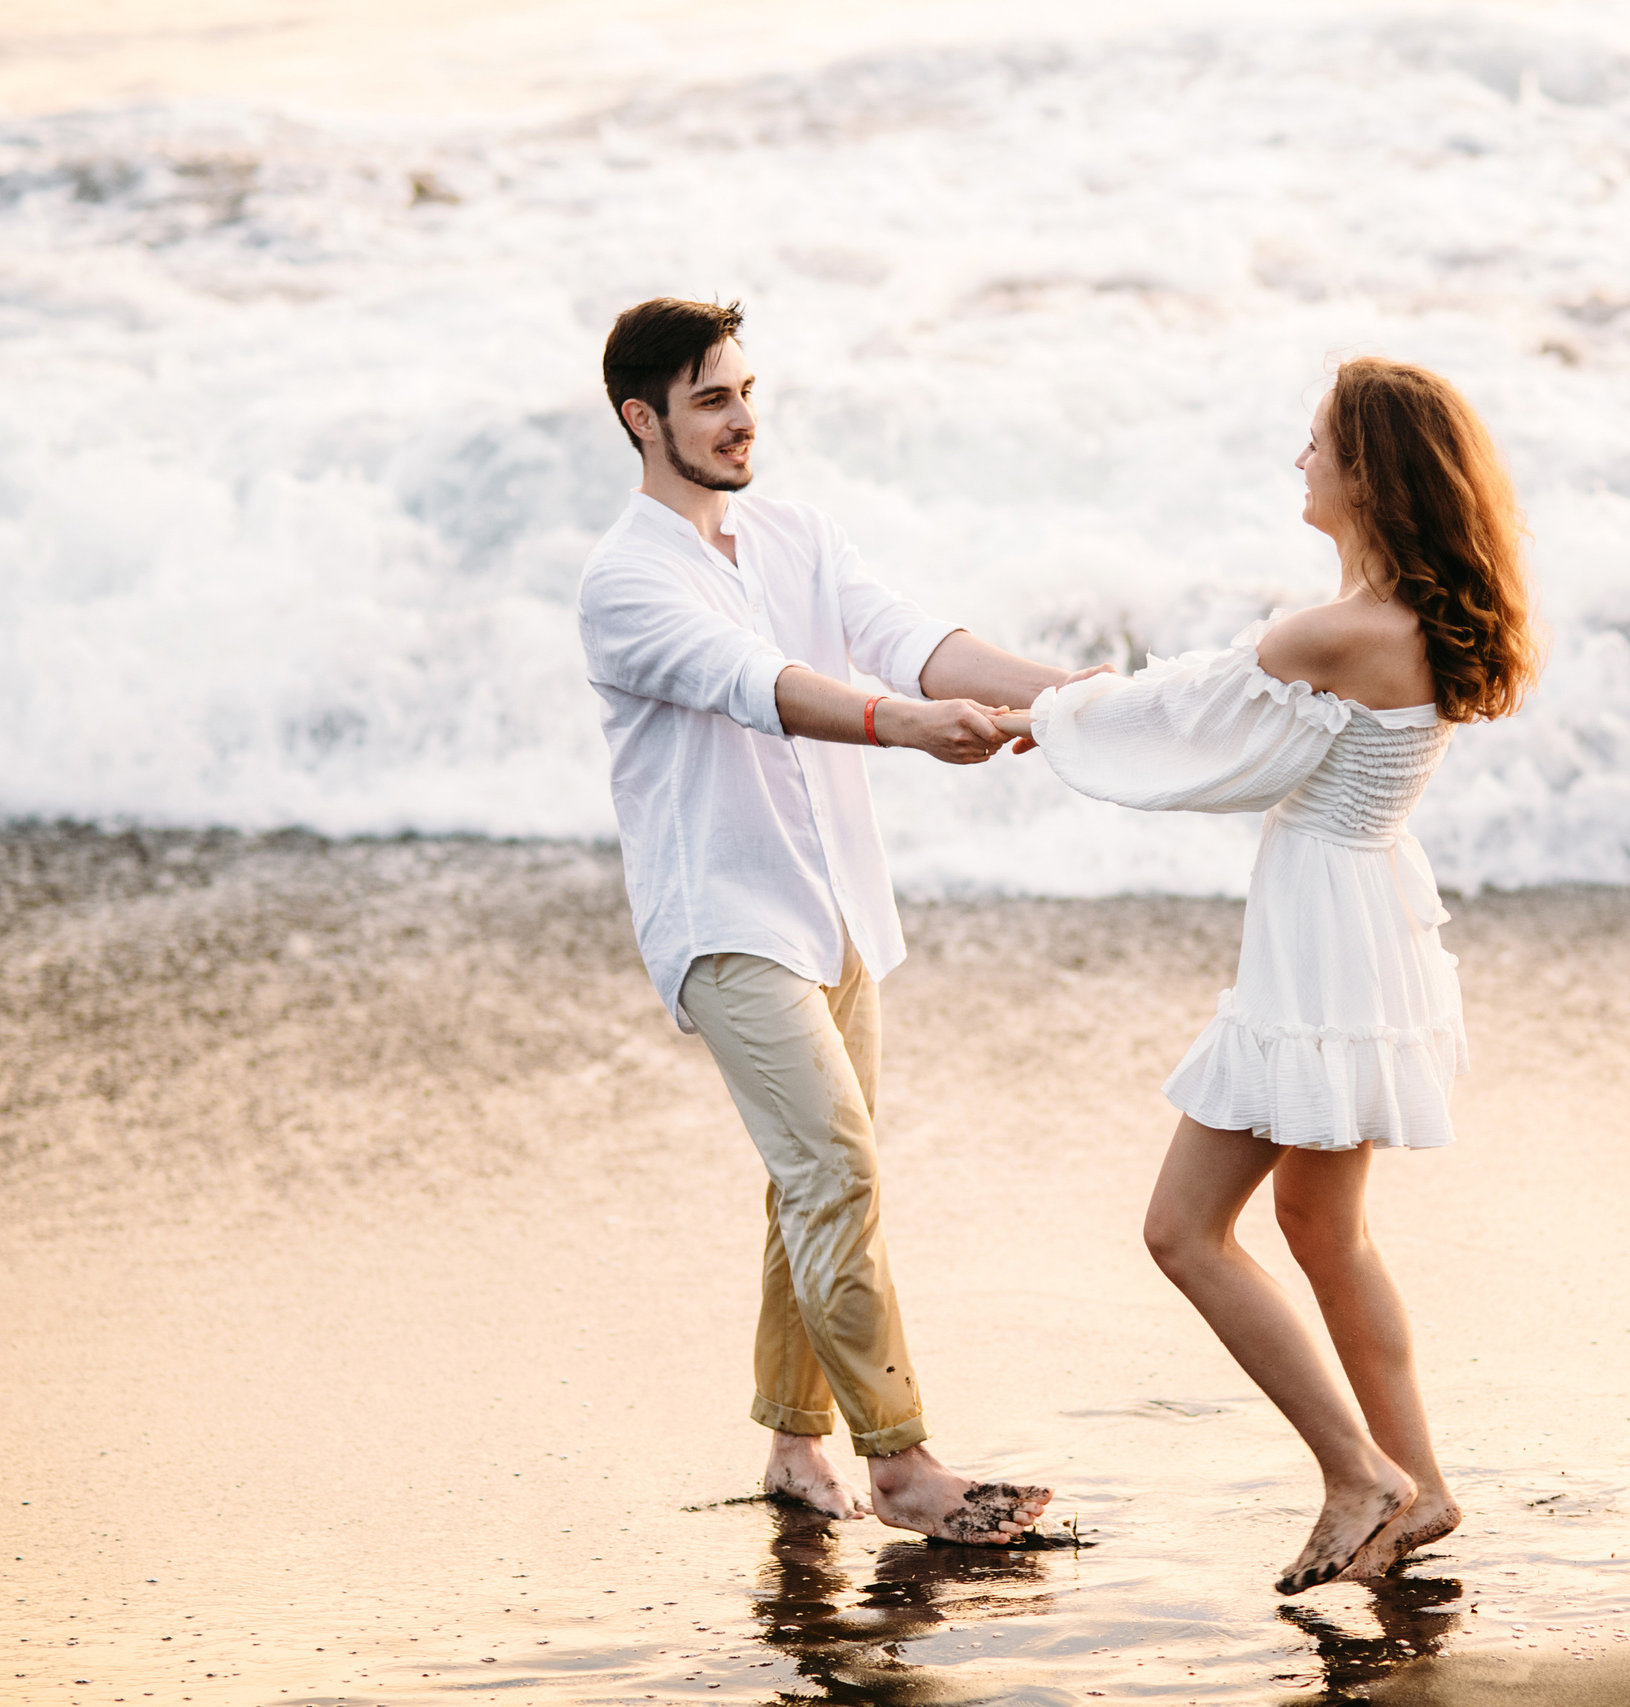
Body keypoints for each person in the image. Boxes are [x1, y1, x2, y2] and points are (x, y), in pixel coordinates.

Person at [996, 357, 1542, 1593]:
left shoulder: (1331, 632)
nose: (1299, 461)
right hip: (1361, 924)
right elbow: (1200, 713)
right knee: (1322, 1229)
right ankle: (1421, 1485)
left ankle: (1360, 1476)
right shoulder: (1412, 621)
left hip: (1320, 945)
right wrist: (1082, 706)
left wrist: (1056, 716)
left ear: (1369, 474)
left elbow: (1191, 733)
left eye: (1316, 444)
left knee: (1184, 1231)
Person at [577, 297, 1074, 1544]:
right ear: (644, 421)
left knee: (808, 1184)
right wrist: (909, 731)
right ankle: (902, 1466)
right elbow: (755, 686)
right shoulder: (624, 579)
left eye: (745, 391)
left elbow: (911, 640)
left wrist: (1074, 697)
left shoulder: (796, 535)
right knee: (835, 1171)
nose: (743, 418)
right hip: (725, 920)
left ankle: (797, 1445)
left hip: (837, 909)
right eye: (710, 400)